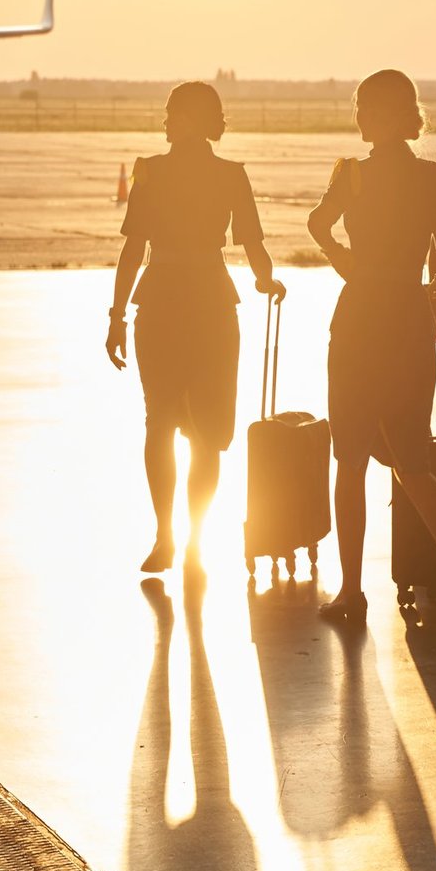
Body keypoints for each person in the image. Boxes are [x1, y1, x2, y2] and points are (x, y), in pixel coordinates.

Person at [307, 69, 436, 636]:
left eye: (364, 108)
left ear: (382, 116)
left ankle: (353, 588)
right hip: (412, 322)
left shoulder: (353, 175)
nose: (358, 117)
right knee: (414, 462)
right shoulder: (435, 178)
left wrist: (344, 259)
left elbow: (317, 224)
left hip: (362, 319)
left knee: (351, 460)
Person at [107, 81, 285, 573]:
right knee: (207, 431)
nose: (164, 122)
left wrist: (117, 315)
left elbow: (132, 251)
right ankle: (193, 540)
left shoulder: (150, 172)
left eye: (170, 113)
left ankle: (167, 533)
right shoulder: (230, 175)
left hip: (161, 299)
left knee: (158, 421)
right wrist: (268, 283)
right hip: (210, 300)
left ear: (187, 118)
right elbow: (253, 246)